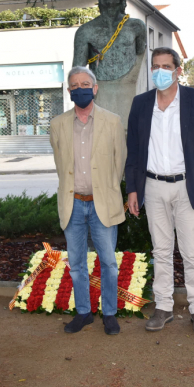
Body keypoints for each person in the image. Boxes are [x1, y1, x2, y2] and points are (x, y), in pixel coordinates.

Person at [125, 47, 194, 335]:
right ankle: (164, 306)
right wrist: (132, 190)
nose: (160, 71)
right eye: (155, 66)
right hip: (153, 186)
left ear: (178, 71)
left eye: (166, 66)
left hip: (189, 185)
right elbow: (133, 151)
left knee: (192, 252)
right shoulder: (141, 103)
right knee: (161, 250)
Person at [50, 66, 126, 335]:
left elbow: (119, 164)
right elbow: (61, 165)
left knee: (108, 263)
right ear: (69, 90)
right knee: (77, 264)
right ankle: (83, 312)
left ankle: (109, 313)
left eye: (85, 83)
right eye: (74, 84)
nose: (79, 88)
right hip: (73, 204)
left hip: (102, 204)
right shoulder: (58, 124)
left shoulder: (113, 121)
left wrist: (105, 190)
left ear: (95, 89)